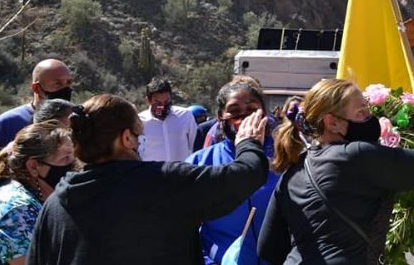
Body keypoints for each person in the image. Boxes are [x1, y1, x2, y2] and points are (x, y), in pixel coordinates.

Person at [27, 94, 269, 265]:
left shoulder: (56, 204)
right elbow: (246, 175)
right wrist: (248, 141)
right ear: (126, 139)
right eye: (138, 135)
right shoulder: (164, 183)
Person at [257, 50, 414, 264]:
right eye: (361, 113)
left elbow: (268, 247)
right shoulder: (356, 155)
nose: (370, 118)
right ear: (332, 122)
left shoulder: (293, 171)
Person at [186, 81, 279, 265]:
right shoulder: (200, 162)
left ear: (264, 113)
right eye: (234, 111)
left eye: (252, 109)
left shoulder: (287, 158)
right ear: (220, 116)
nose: (244, 117)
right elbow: (182, 226)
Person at [0, 121, 74, 265]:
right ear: (33, 166)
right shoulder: (15, 210)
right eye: (65, 159)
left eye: (74, 157)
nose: (73, 166)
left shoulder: (31, 196)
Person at [0, 59, 73, 174]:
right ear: (36, 88)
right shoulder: (7, 123)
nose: (65, 89)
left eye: (68, 83)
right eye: (57, 83)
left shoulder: (76, 120)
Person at [138, 78, 197, 162]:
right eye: (158, 103)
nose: (162, 106)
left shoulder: (185, 116)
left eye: (166, 101)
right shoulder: (140, 121)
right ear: (148, 100)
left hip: (180, 172)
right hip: (152, 173)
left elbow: (193, 145)